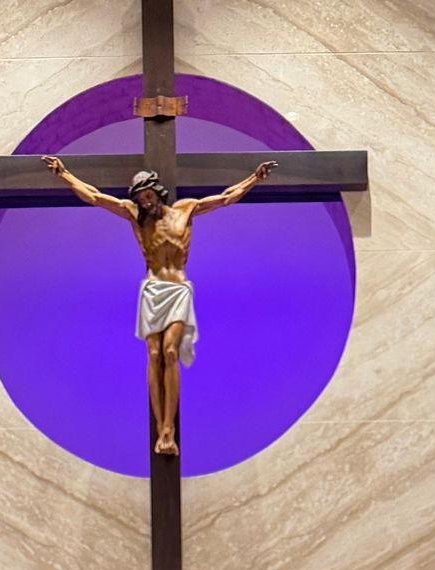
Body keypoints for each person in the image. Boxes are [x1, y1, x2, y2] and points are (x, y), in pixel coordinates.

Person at [41, 153, 276, 454]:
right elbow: (95, 197)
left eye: (148, 196)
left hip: (178, 290)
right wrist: (64, 174)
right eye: (140, 199)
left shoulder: (186, 210)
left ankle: (169, 428)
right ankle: (160, 432)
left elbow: (226, 198)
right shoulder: (134, 216)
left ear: (158, 191)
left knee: (169, 351)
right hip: (152, 290)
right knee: (153, 355)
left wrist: (254, 178)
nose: (145, 203)